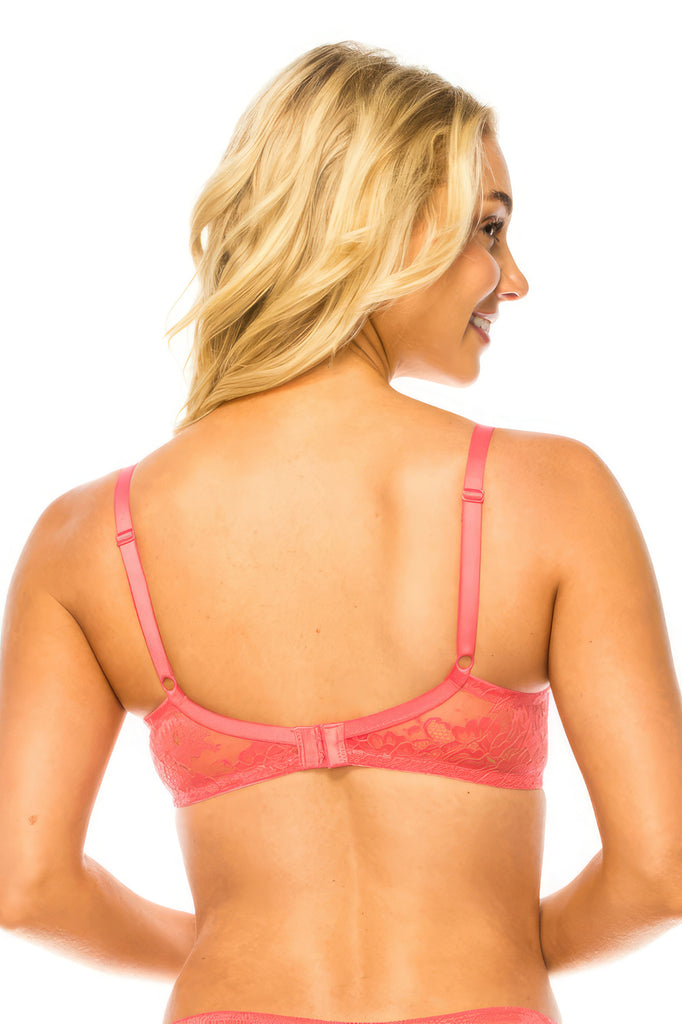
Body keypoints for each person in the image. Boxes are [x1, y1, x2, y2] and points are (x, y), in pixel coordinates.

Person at [1, 39, 681, 1024]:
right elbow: (661, 870)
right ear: (386, 226)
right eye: (489, 230)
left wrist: (227, 954)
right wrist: (503, 951)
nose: (514, 279)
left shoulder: (85, 538)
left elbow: (25, 887)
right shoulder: (553, 493)